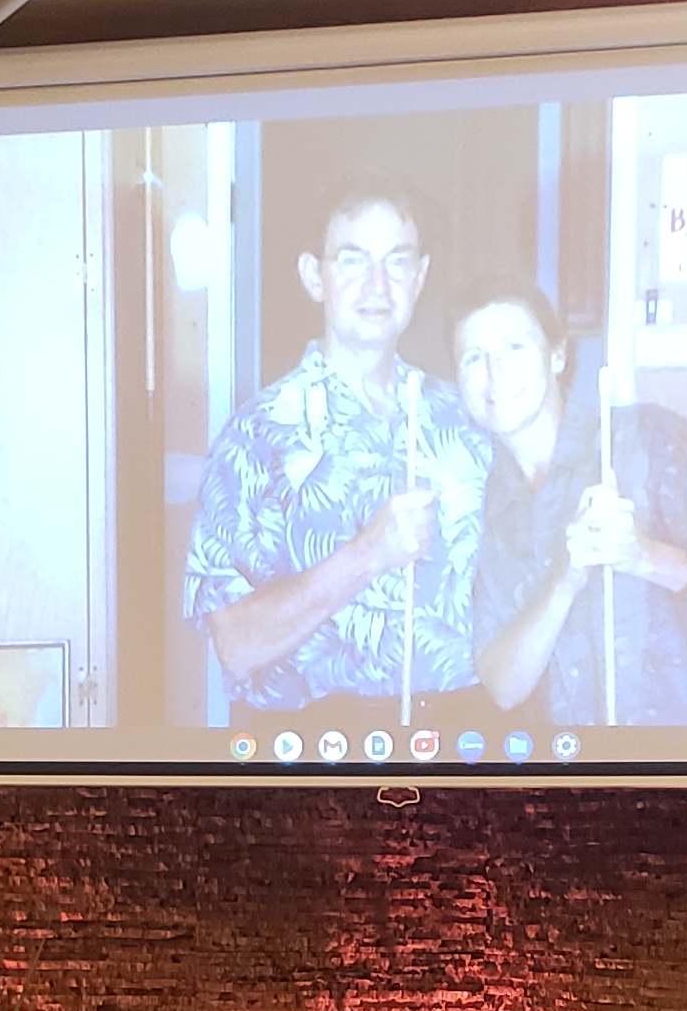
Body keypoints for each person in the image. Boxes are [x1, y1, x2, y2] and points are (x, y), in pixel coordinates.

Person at [182, 176, 487, 722]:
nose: (377, 284)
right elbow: (236, 645)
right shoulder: (255, 436)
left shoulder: (465, 419)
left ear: (419, 278)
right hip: (314, 749)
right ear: (313, 277)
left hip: (459, 735)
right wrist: (368, 554)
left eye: (397, 261)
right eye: (352, 260)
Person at [451, 286, 687, 731]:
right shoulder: (493, 504)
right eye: (474, 357)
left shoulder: (647, 440)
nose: (495, 372)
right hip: (594, 776)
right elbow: (504, 686)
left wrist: (643, 556)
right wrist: (566, 582)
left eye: (515, 346)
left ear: (556, 355)